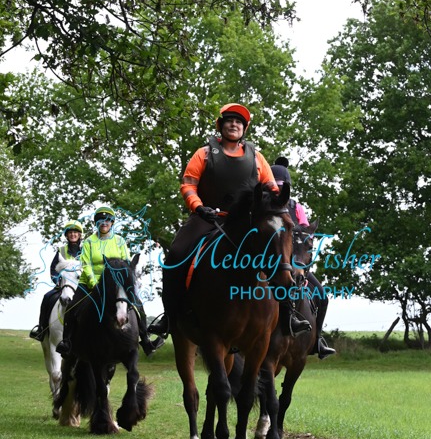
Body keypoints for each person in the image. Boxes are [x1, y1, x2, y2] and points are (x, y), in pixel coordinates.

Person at [150, 103, 311, 338]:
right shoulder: (203, 154)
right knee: (176, 253)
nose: (234, 124)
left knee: (279, 255)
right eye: (229, 121)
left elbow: (271, 187)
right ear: (221, 125)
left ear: (244, 129)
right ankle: (170, 316)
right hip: (208, 218)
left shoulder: (257, 157)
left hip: (246, 223)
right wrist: (199, 207)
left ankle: (289, 315)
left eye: (239, 122)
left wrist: (276, 205)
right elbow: (188, 185)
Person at [56, 205, 164, 357]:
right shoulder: (89, 242)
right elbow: (86, 264)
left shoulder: (119, 241)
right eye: (100, 221)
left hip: (115, 283)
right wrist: (94, 283)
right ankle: (66, 342)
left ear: (112, 223)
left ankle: (146, 340)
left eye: (107, 221)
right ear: (96, 223)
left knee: (138, 306)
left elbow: (126, 263)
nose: (104, 223)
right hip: (90, 283)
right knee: (72, 307)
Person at [271, 157, 335, 360]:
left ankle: (318, 340)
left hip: (295, 261)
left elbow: (306, 232)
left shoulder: (295, 207)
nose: (279, 190)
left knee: (322, 296)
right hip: (270, 262)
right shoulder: (264, 205)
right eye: (276, 186)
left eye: (282, 186)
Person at [29, 220, 83, 342]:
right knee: (47, 297)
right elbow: (53, 268)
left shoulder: (85, 251)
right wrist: (57, 281)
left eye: (75, 232)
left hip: (80, 286)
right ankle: (41, 329)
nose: (73, 234)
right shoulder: (61, 250)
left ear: (79, 235)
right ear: (66, 235)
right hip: (63, 285)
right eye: (70, 232)